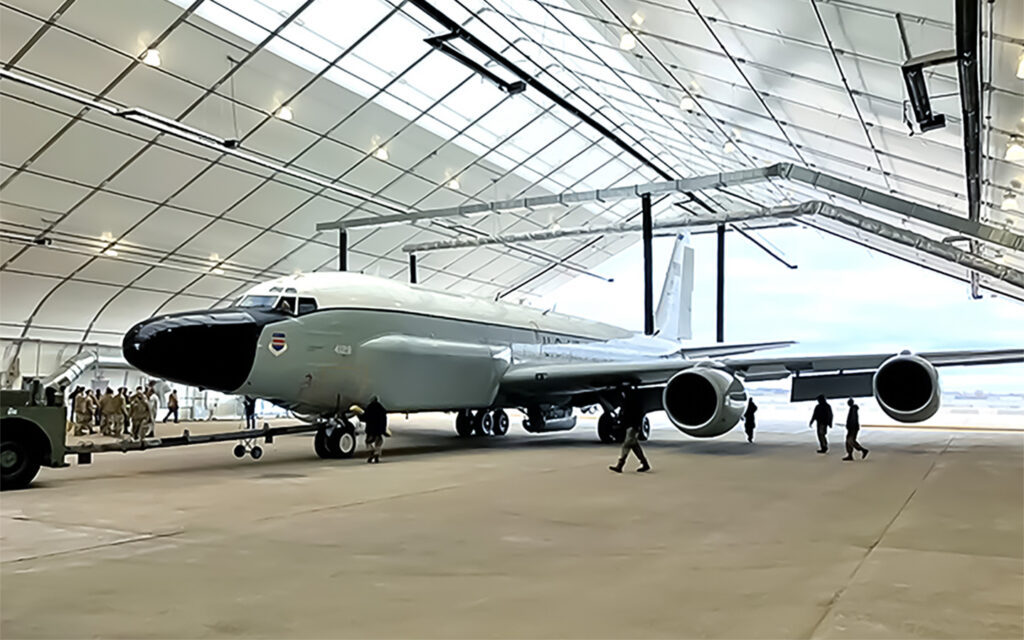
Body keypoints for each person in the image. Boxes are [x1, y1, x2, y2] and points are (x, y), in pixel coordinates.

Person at [610, 396, 650, 473]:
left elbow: (638, 413)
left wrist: (637, 425)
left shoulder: (633, 400)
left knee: (626, 444)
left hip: (633, 426)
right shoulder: (628, 399)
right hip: (629, 425)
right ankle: (645, 464)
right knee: (634, 446)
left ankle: (620, 465)